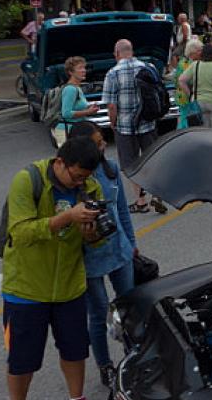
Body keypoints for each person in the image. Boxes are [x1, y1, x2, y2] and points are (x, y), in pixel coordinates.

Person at [1, 137, 103, 400]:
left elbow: (96, 241)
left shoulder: (90, 187)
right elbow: (20, 232)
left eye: (85, 178)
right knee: (22, 360)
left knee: (75, 351)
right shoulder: (27, 180)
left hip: (70, 288)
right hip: (26, 290)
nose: (80, 183)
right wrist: (67, 217)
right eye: (76, 176)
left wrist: (90, 233)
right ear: (60, 162)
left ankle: (76, 397)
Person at [66, 121, 137, 389]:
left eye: (101, 141)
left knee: (129, 306)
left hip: (119, 250)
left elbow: (121, 211)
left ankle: (135, 355)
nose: (103, 145)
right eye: (97, 143)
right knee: (97, 313)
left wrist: (131, 243)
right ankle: (105, 365)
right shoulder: (73, 179)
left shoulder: (111, 169)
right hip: (89, 259)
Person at [102, 39, 165, 214]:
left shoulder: (113, 73)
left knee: (131, 165)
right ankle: (157, 194)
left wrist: (113, 122)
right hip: (148, 123)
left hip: (125, 127)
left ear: (116, 54)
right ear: (132, 51)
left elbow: (112, 105)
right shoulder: (147, 67)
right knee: (151, 159)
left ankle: (141, 201)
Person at [53, 56, 100, 148]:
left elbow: (76, 107)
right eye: (80, 68)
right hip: (67, 131)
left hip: (75, 131)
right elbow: (66, 113)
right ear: (70, 72)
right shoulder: (70, 89)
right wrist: (88, 112)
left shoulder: (77, 88)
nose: (84, 70)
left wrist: (88, 108)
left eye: (84, 67)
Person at [179, 43, 212, 129]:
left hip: (198, 101)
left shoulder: (195, 65)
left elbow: (181, 80)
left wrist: (190, 94)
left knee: (202, 129)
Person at [170, 39, 203, 129]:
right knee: (188, 119)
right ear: (193, 51)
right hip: (187, 95)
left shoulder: (183, 61)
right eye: (199, 50)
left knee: (183, 117)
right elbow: (190, 81)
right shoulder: (190, 64)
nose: (201, 52)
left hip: (181, 95)